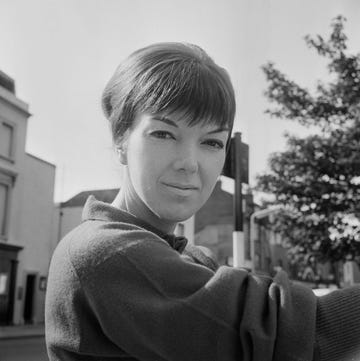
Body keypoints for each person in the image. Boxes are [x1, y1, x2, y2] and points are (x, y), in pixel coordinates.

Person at [45, 42, 360, 361]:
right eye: (164, 134)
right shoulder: (104, 253)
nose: (190, 162)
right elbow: (293, 335)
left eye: (211, 142)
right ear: (121, 139)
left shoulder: (189, 257)